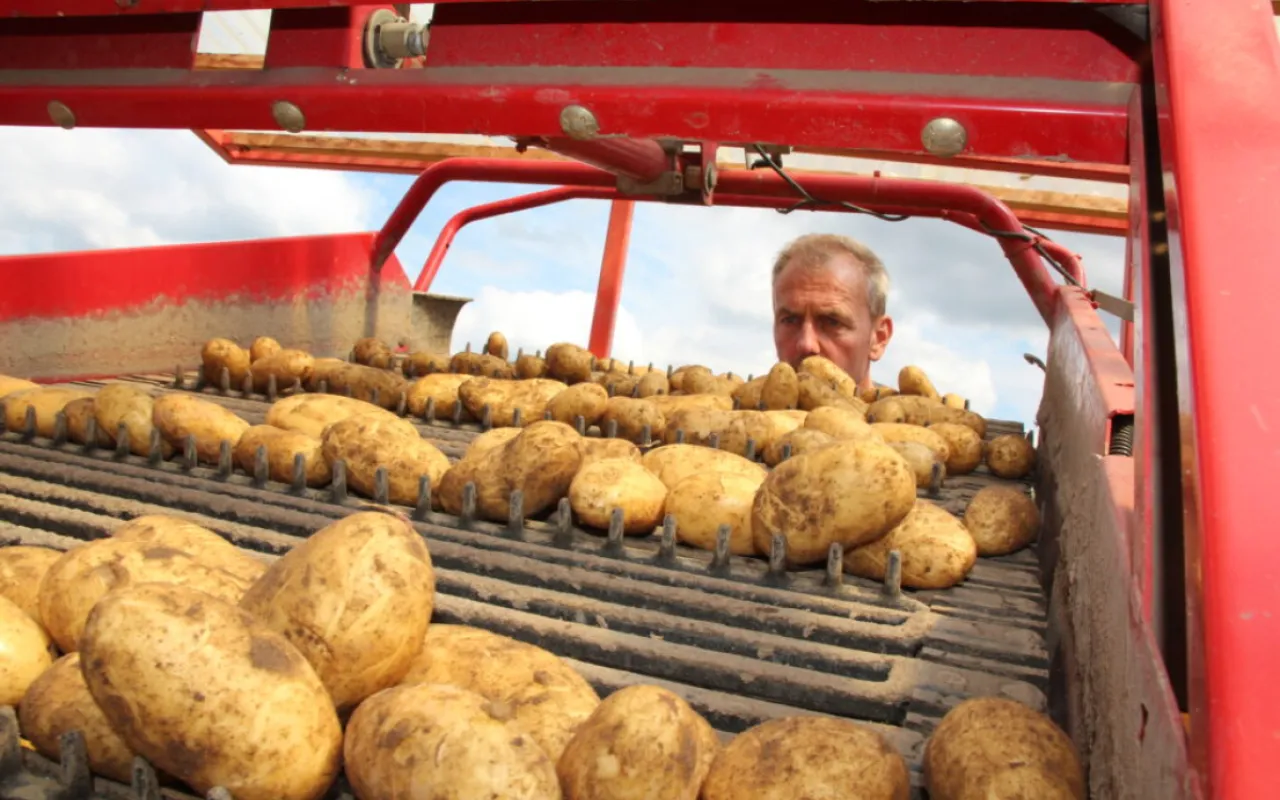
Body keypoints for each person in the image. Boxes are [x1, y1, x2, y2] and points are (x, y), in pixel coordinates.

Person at [771, 232, 894, 394]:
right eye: (790, 320)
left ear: (879, 338)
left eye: (832, 322)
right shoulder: (743, 413)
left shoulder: (910, 416)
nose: (807, 344)